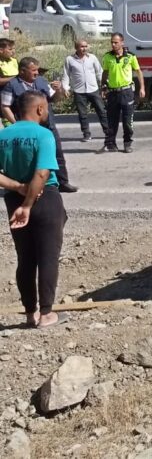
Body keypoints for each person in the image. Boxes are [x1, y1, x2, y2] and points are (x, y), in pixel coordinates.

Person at [0, 90, 68, 328]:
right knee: (48, 256)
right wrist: (29, 203)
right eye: (46, 108)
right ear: (40, 109)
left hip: (13, 199)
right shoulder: (44, 135)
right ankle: (47, 314)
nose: (47, 112)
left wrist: (19, 188)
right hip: (44, 199)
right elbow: (43, 172)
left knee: (25, 258)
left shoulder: (3, 135)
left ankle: (30, 312)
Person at [1, 57, 75, 192]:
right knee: (30, 157)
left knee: (57, 153)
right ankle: (29, 185)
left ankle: (62, 182)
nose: (36, 73)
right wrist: (17, 124)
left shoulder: (41, 81)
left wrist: (58, 90)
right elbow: (5, 106)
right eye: (33, 70)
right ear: (22, 71)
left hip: (47, 126)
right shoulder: (12, 85)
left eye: (37, 70)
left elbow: (55, 99)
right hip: (26, 130)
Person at [100, 33, 145, 155]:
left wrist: (142, 88)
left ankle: (127, 143)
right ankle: (111, 143)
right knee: (112, 120)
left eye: (116, 42)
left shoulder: (130, 56)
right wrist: (103, 87)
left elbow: (138, 72)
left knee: (127, 120)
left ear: (122, 42)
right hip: (113, 93)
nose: (113, 44)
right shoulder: (107, 57)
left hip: (126, 92)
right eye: (112, 42)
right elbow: (105, 73)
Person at [62, 39, 107, 142]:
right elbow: (66, 75)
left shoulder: (92, 58)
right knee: (83, 114)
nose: (84, 48)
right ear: (76, 48)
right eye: (82, 46)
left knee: (102, 111)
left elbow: (99, 72)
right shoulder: (69, 59)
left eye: (86, 46)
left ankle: (107, 131)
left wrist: (104, 85)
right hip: (79, 91)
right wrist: (66, 87)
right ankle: (86, 133)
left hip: (93, 89)